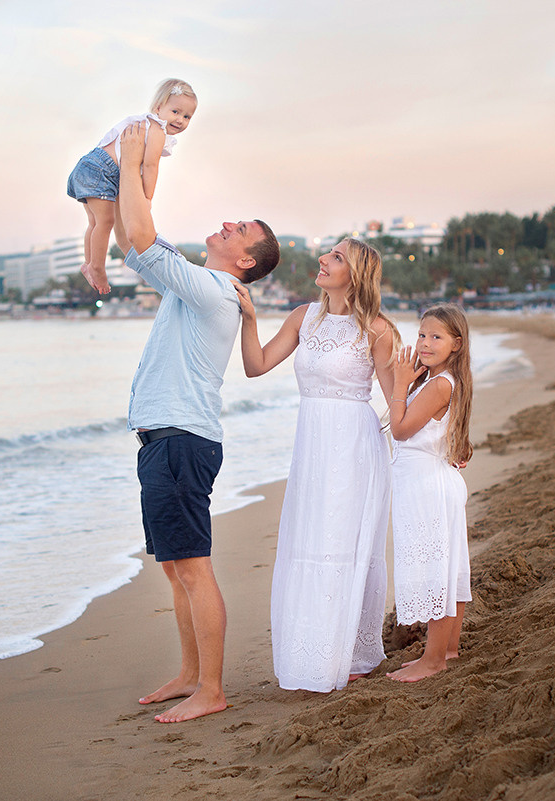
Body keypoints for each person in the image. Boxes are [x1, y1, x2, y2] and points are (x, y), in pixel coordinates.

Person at [114, 122, 280, 723]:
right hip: (166, 439)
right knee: (173, 566)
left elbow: (139, 234)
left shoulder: (214, 288)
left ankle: (212, 689)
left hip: (182, 442)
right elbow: (131, 244)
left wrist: (134, 158)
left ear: (243, 259)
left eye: (241, 230)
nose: (229, 223)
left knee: (193, 565)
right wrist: (121, 178)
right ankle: (190, 674)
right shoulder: (201, 286)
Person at [234, 238, 399, 692]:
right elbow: (256, 365)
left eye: (336, 257)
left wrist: (442, 443)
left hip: (355, 450)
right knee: (309, 542)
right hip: (312, 447)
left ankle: (351, 655)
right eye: (327, 252)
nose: (323, 259)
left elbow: (396, 406)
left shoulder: (378, 331)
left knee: (344, 547)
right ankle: (312, 652)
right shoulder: (303, 317)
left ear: (357, 273)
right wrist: (249, 319)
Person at [385, 304, 474, 682]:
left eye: (435, 337)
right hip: (435, 481)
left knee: (437, 570)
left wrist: (401, 385)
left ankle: (434, 658)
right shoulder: (445, 380)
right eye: (421, 334)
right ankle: (448, 648)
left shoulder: (438, 383)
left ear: (456, 344)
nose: (424, 343)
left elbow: (401, 430)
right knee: (449, 569)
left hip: (426, 487)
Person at [67, 79, 198, 295]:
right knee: (105, 221)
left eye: (187, 117)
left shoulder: (143, 124)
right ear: (158, 108)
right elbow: (150, 165)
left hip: (89, 165)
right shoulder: (156, 129)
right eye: (175, 111)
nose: (180, 120)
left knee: (94, 222)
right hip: (103, 170)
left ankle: (88, 264)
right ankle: (97, 267)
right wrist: (147, 197)